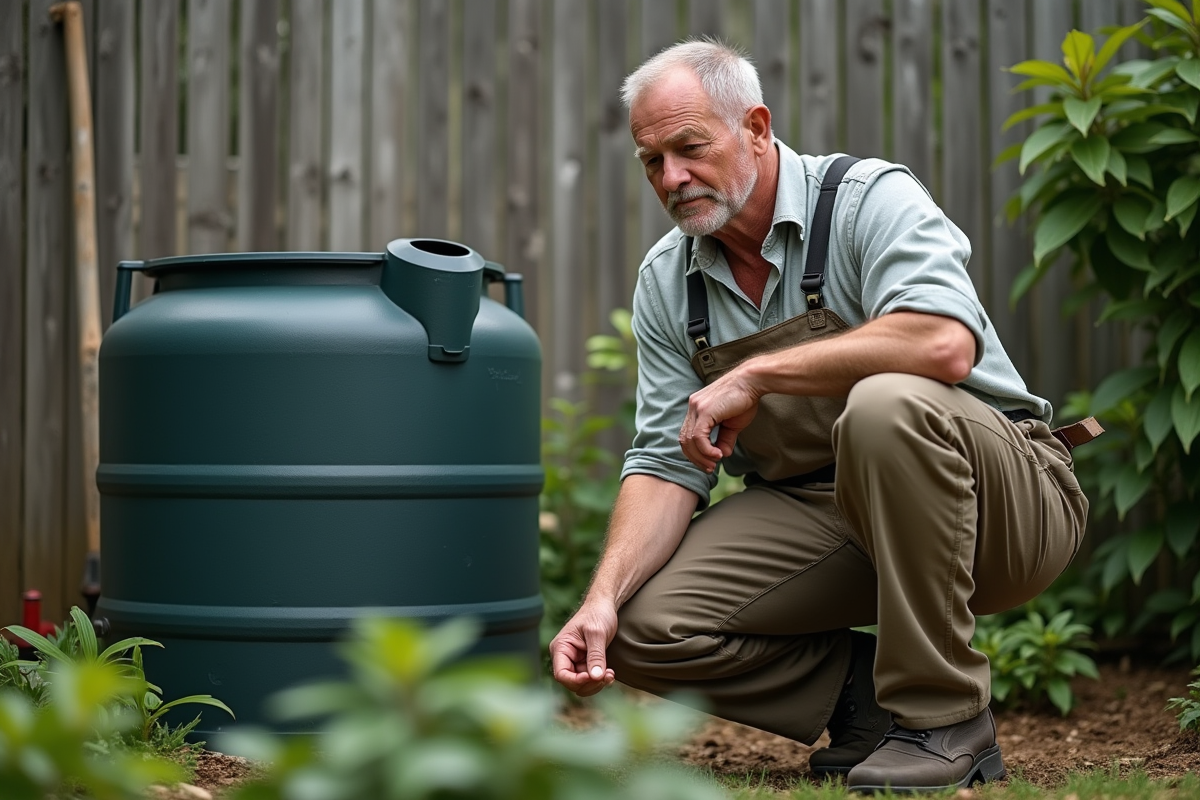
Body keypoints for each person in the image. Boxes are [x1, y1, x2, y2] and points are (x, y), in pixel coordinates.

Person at [548, 39, 1096, 794]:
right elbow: (664, 464)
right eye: (652, 161)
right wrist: (599, 601)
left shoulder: (869, 199)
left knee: (886, 402)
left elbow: (942, 343)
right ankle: (872, 711)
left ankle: (946, 720)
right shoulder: (667, 283)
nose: (672, 178)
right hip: (825, 514)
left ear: (757, 127)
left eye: (689, 147)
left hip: (1006, 507)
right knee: (645, 624)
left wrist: (760, 372)